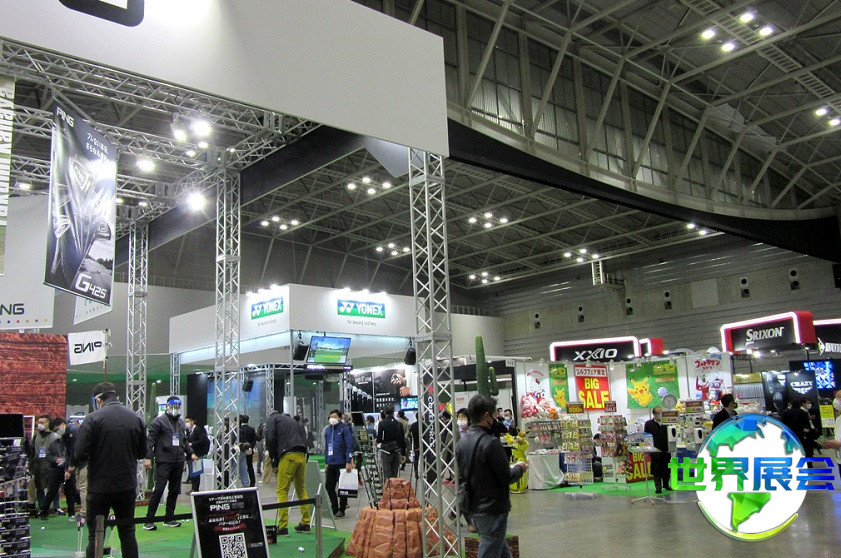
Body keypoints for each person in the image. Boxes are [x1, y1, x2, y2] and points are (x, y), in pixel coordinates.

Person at [75, 382, 146, 558]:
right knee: (128, 533)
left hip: (99, 487)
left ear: (99, 400)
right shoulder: (136, 418)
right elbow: (142, 453)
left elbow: (80, 454)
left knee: (95, 535)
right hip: (126, 485)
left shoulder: (92, 419)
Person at [456, 395, 527, 558]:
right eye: (495, 415)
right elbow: (507, 476)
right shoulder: (491, 443)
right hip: (492, 508)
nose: (497, 419)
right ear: (487, 416)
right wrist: (520, 468)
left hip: (474, 506)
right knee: (489, 548)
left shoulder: (462, 443)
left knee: (501, 550)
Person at [143, 396, 193, 531]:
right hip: (164, 460)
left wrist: (191, 453)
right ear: (167, 406)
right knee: (159, 489)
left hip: (178, 460)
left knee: (174, 490)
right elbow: (150, 441)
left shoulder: (181, 423)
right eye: (173, 406)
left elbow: (184, 441)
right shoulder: (158, 421)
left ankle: (169, 517)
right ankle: (149, 520)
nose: (175, 409)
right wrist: (148, 458)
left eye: (177, 406)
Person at [266, 411, 311, 536]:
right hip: (301, 454)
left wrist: (274, 459)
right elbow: (304, 437)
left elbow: (270, 438)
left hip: (288, 455)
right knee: (301, 489)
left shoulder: (272, 420)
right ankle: (306, 523)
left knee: (282, 490)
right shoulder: (292, 421)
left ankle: (283, 526)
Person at [39, 417, 77, 520]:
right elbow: (48, 455)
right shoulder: (52, 444)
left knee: (70, 492)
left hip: (68, 469)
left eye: (57, 430)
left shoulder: (70, 437)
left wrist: (68, 468)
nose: (57, 433)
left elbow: (71, 453)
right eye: (55, 431)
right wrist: (56, 460)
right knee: (52, 491)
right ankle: (44, 512)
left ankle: (71, 513)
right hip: (56, 469)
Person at [323, 410, 355, 518]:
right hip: (331, 463)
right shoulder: (328, 430)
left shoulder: (344, 429)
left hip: (341, 462)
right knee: (329, 486)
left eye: (334, 417)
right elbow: (327, 446)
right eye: (331, 416)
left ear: (340, 418)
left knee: (343, 487)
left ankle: (342, 509)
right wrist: (326, 462)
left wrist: (348, 461)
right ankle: (334, 507)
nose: (332, 419)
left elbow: (349, 445)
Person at [31, 414, 60, 515]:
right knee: (39, 487)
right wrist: (31, 466)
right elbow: (32, 451)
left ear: (48, 423)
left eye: (42, 422)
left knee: (54, 487)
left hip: (51, 465)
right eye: (39, 422)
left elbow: (59, 452)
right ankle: (42, 508)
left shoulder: (55, 436)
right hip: (38, 465)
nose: (39, 424)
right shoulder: (36, 436)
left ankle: (56, 507)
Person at [643, 407, 671, 493]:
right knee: (656, 469)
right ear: (654, 414)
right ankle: (658, 487)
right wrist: (647, 449)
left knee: (667, 468)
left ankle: (666, 484)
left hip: (666, 449)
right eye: (659, 413)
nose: (661, 415)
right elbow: (646, 437)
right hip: (655, 450)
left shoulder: (666, 423)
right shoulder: (649, 424)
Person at [376, 407, 406, 480]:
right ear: (393, 412)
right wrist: (403, 454)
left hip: (386, 451)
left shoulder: (381, 423)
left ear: (385, 412)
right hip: (396, 450)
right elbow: (402, 440)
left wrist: (378, 442)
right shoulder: (399, 424)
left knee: (386, 473)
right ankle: (394, 486)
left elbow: (379, 439)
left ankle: (387, 486)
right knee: (394, 473)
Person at [185, 416, 210, 493]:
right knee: (192, 472)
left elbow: (202, 440)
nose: (187, 424)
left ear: (192, 421)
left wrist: (192, 444)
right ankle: (193, 488)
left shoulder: (198, 430)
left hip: (198, 453)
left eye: (188, 422)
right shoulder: (189, 431)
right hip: (191, 454)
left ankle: (195, 489)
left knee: (196, 472)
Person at [821, 395, 841, 477]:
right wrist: (831, 444)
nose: (836, 400)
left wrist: (839, 444)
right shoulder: (839, 419)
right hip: (839, 457)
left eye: (839, 397)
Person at [238, 414, 257, 488]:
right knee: (250, 466)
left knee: (241, 466)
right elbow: (254, 440)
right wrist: (251, 447)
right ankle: (252, 481)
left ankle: (243, 481)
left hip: (241, 450)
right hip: (249, 450)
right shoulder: (252, 429)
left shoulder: (239, 429)